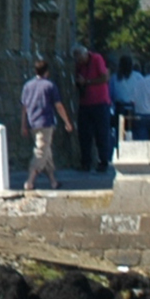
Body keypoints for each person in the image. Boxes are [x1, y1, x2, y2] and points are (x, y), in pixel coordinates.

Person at [19, 57, 66, 192]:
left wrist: (23, 125)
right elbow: (58, 106)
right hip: (45, 123)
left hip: (32, 123)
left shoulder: (27, 86)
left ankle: (53, 181)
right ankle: (29, 181)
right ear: (47, 72)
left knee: (46, 152)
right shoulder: (49, 85)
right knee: (40, 152)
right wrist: (67, 121)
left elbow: (24, 107)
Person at [74, 43, 116, 172]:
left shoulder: (96, 59)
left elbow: (104, 77)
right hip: (85, 102)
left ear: (85, 54)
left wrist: (87, 82)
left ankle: (103, 161)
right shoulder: (79, 65)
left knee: (101, 133)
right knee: (84, 134)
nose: (79, 61)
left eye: (80, 58)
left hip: (100, 102)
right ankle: (85, 162)